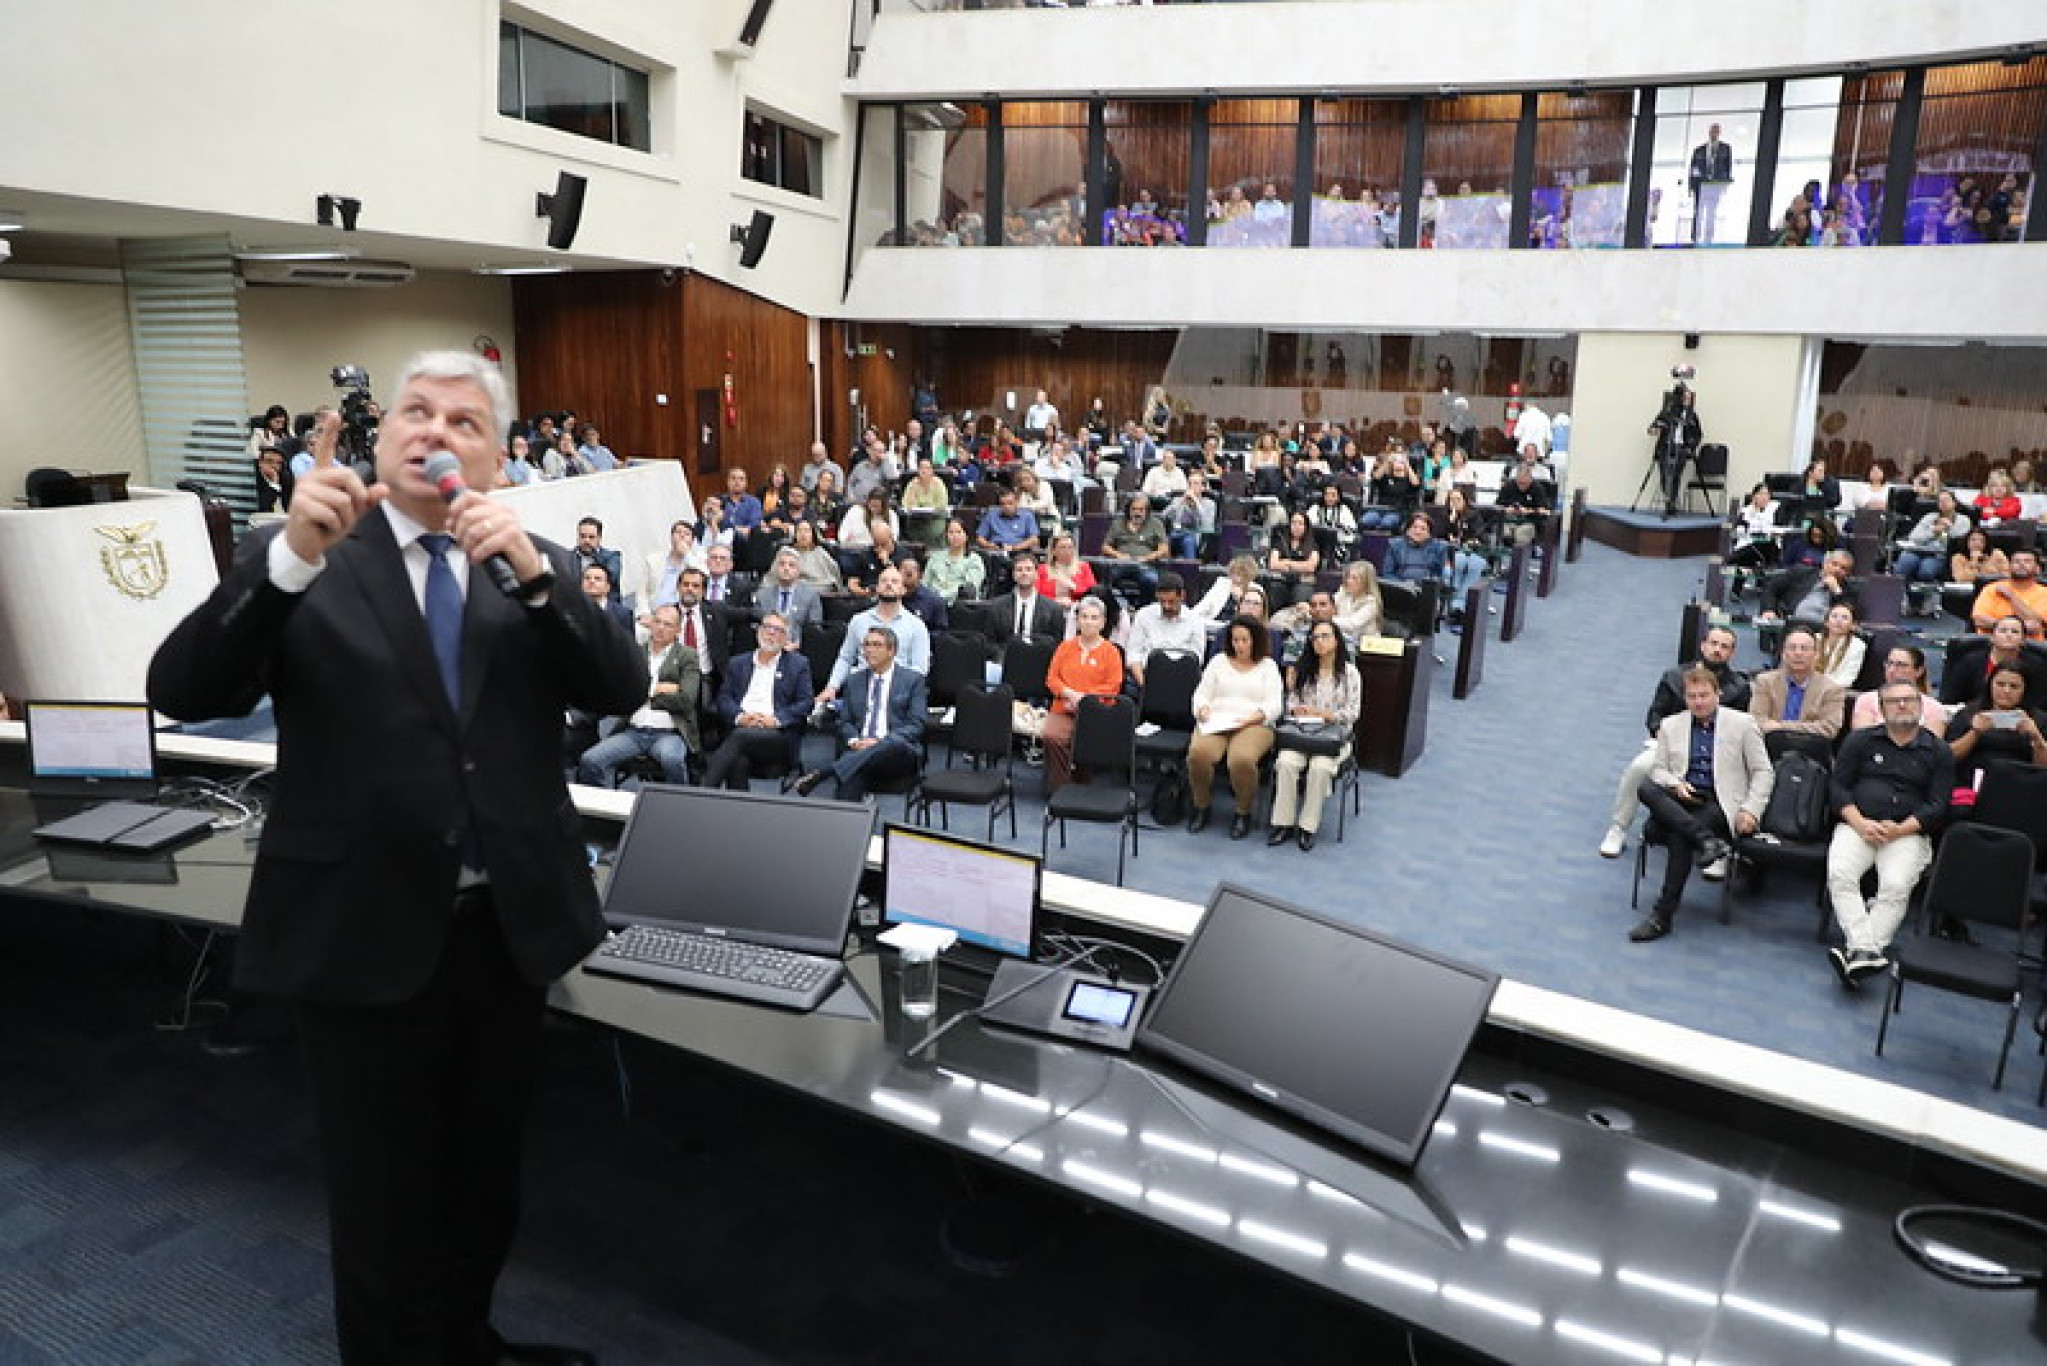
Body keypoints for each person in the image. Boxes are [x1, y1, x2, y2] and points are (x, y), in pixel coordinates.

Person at [147, 351, 640, 1366]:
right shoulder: (306, 551)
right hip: (359, 927)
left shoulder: (528, 559)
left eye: (464, 421)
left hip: (503, 932)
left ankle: (465, 1341)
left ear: (498, 459)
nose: (435, 431)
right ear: (380, 438)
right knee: (381, 1204)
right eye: (416, 411)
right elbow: (183, 688)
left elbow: (623, 685)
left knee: (482, 1180)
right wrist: (286, 561)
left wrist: (542, 581)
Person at [1629, 667, 1774, 942]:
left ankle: (1662, 916)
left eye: (1704, 696)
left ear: (1717, 694)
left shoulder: (1742, 724)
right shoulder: (1671, 725)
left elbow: (1763, 772)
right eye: (1692, 697)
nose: (1698, 702)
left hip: (1717, 801)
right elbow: (1659, 770)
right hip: (1682, 795)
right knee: (1646, 787)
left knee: (1678, 836)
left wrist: (1751, 809)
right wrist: (1675, 784)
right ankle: (1707, 841)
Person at [1825, 683, 1953, 987]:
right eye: (1894, 701)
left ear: (1921, 707)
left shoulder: (1939, 751)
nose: (1902, 706)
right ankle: (1866, 950)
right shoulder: (1859, 741)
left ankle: (1857, 951)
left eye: (1909, 700)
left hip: (1907, 832)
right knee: (1841, 873)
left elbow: (1938, 805)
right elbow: (1837, 788)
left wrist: (1901, 829)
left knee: (1895, 885)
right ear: (1881, 709)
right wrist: (1859, 822)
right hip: (1859, 824)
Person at [1599, 624, 1753, 860]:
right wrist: (1666, 736)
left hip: (1717, 753)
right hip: (1670, 748)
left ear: (1732, 653)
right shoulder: (1673, 677)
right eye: (1713, 644)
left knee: (1731, 781)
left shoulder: (1739, 688)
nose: (1717, 650)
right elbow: (1654, 715)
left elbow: (1740, 729)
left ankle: (1720, 843)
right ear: (1703, 646)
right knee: (1639, 768)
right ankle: (1618, 828)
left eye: (1724, 647)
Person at [576, 602, 701, 789]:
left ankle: (678, 808)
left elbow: (686, 700)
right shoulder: (636, 652)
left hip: (669, 733)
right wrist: (655, 689)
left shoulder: (687, 656)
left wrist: (645, 695)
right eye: (657, 622)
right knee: (590, 760)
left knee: (671, 759)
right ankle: (604, 810)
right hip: (633, 731)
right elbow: (621, 691)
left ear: (678, 630)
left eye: (667, 624)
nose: (660, 628)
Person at [795, 625, 926, 802]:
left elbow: (916, 725)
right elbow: (845, 722)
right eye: (866, 645)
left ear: (891, 651)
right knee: (852, 774)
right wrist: (855, 740)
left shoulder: (912, 680)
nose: (869, 650)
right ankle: (845, 827)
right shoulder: (854, 681)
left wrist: (879, 742)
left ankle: (826, 773)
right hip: (860, 750)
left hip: (897, 754)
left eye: (876, 645)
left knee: (892, 745)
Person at [1267, 619, 1361, 852]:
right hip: (1302, 734)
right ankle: (1283, 823)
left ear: (1337, 640)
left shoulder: (1350, 674)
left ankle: (1308, 827)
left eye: (1325, 636)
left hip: (1333, 738)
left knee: (1320, 768)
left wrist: (1322, 714)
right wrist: (1297, 710)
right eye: (1315, 638)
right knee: (1286, 762)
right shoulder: (1303, 669)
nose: (1320, 642)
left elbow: (1352, 713)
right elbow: (1290, 705)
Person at [1186, 615, 1283, 840]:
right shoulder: (1218, 661)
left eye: (1244, 640)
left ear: (1255, 641)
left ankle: (1243, 812)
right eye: (1235, 640)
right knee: (1198, 754)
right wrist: (1202, 709)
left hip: (1254, 723)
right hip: (1218, 720)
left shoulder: (1268, 667)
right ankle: (1202, 806)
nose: (1239, 645)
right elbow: (1201, 693)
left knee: (1240, 759)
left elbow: (1274, 704)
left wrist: (1252, 718)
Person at [703, 612, 815, 791]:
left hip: (776, 735)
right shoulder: (738, 663)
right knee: (738, 760)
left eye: (777, 630)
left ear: (786, 637)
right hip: (742, 727)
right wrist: (740, 716)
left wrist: (776, 719)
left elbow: (806, 703)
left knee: (738, 737)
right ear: (758, 632)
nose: (770, 633)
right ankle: (739, 812)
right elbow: (723, 698)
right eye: (767, 628)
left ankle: (704, 792)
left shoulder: (798, 664)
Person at [1041, 596, 1125, 793]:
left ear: (1103, 622)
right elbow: (1051, 679)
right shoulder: (1065, 647)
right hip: (1063, 707)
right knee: (1052, 736)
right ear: (1077, 621)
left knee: (1086, 738)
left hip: (1095, 712)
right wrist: (1069, 693)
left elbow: (1113, 686)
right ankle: (1059, 789)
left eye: (1094, 618)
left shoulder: (1111, 652)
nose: (1088, 621)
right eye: (1084, 617)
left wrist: (1084, 699)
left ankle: (1080, 784)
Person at [818, 566, 930, 702]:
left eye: (894, 581)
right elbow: (846, 658)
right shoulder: (858, 621)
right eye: (884, 581)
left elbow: (919, 669)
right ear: (876, 588)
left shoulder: (917, 626)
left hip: (899, 695)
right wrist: (832, 687)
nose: (889, 584)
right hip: (861, 691)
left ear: (903, 590)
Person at [1944, 664, 2047, 789]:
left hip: (2022, 786)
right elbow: (1948, 757)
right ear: (1990, 685)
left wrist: (2036, 738)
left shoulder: (2038, 720)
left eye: (2014, 686)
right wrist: (1975, 733)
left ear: (2024, 689)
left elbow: (2043, 769)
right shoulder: (1968, 713)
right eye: (2000, 684)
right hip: (1972, 785)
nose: (2006, 691)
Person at [1123, 571, 1206, 687]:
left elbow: (1197, 658)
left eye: (1171, 602)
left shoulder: (1195, 620)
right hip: (1147, 676)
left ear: (1182, 596)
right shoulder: (1143, 615)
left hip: (1182, 678)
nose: (1166, 606)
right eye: (1162, 601)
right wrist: (1143, 684)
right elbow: (1133, 653)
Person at [1848, 645, 1947, 734]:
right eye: (1889, 663)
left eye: (1901, 665)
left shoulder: (1934, 707)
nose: (1891, 670)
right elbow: (1862, 739)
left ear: (1919, 671)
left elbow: (1932, 748)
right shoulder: (1866, 700)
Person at [987, 550, 1066, 646]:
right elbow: (990, 643)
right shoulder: (996, 606)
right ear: (1013, 575)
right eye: (1019, 570)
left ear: (1036, 574)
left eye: (1028, 569)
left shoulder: (1054, 609)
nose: (1024, 573)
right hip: (1005, 658)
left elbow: (1057, 645)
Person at [1892, 491, 1969, 586]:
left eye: (1946, 500)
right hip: (1919, 551)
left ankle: (1920, 598)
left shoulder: (1963, 520)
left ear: (1955, 503)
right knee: (1904, 564)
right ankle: (1899, 595)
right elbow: (1913, 537)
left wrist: (1949, 529)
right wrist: (1933, 532)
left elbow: (1960, 542)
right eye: (1940, 501)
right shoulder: (1929, 517)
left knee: (1926, 570)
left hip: (1940, 555)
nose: (1943, 503)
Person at [1970, 546, 2047, 640]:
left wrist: (2011, 597)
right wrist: (2015, 628)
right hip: (1990, 643)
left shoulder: (2044, 593)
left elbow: (2037, 625)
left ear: (2037, 568)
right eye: (2016, 561)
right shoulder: (1991, 588)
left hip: (2030, 647)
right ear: (2009, 567)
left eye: (2027, 561)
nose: (2021, 564)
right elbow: (1979, 620)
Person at [752, 546, 824, 645]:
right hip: (768, 647)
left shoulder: (811, 596)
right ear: (776, 568)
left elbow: (815, 630)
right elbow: (756, 627)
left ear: (799, 571)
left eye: (791, 565)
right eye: (782, 564)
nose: (786, 568)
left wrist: (797, 645)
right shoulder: (762, 596)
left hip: (798, 649)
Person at [1688, 122, 1734, 245]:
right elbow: (1693, 169)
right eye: (1712, 131)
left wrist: (1724, 184)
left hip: (1715, 184)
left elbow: (1727, 167)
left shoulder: (1725, 148)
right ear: (1709, 132)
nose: (1714, 133)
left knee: (1711, 211)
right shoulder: (1699, 150)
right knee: (1698, 210)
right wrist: (1691, 186)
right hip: (1701, 185)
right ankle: (1695, 236)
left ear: (1719, 133)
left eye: (1716, 131)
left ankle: (1709, 237)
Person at [1264, 510, 1321, 608]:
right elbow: (1272, 564)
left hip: (1303, 582)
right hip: (1282, 580)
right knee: (1274, 590)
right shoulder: (1281, 541)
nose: (1296, 526)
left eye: (1300, 523)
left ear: (1306, 527)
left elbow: (1310, 567)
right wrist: (1300, 565)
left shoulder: (1312, 545)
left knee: (1301, 594)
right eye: (1293, 523)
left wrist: (1287, 563)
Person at [925, 517, 986, 604]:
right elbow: (925, 583)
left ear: (966, 535)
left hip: (959, 605)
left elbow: (969, 588)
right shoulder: (935, 557)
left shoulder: (974, 560)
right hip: (933, 603)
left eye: (958, 532)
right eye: (951, 532)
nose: (955, 536)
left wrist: (942, 596)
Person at [1381, 511, 1449, 585]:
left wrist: (1428, 585)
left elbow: (1442, 575)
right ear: (1408, 529)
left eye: (1423, 529)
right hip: (1400, 588)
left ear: (1429, 533)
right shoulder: (1395, 545)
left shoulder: (1439, 547)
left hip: (1427, 590)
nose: (1418, 532)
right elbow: (1388, 573)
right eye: (1414, 527)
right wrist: (1402, 585)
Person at [1037, 529, 1098, 612]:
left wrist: (1074, 587)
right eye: (1063, 547)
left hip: (1077, 610)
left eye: (1070, 547)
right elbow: (1036, 595)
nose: (1067, 551)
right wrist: (1054, 601)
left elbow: (1093, 593)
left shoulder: (1084, 567)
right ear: (1053, 551)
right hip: (1049, 609)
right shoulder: (1042, 569)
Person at [975, 487, 1042, 555]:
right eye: (1002, 504)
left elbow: (1034, 540)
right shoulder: (991, 515)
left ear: (1017, 502)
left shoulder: (1027, 516)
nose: (1006, 507)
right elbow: (980, 538)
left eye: (1010, 503)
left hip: (1019, 552)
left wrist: (1015, 548)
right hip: (995, 552)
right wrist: (989, 545)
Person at [1816, 601, 1866, 687]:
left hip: (1833, 691)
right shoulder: (1814, 639)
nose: (1838, 621)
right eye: (1834, 616)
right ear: (1826, 622)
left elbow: (1847, 679)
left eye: (1844, 617)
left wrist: (1821, 687)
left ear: (1853, 625)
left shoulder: (1857, 646)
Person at [580, 562, 633, 633]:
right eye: (587, 578)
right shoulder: (570, 611)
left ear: (607, 587)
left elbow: (628, 642)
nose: (591, 581)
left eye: (597, 579)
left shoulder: (622, 614)